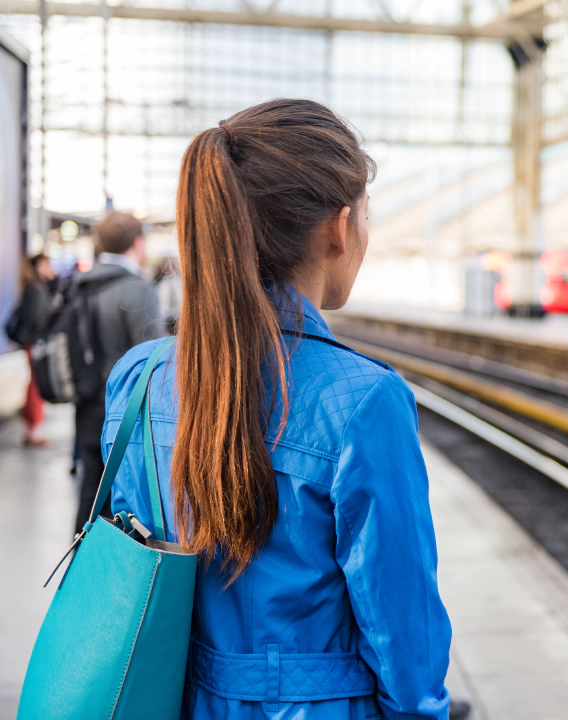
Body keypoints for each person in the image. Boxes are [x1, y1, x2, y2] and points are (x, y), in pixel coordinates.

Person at [104, 99, 452, 719]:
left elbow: (132, 573)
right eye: (367, 217)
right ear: (338, 227)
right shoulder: (366, 401)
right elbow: (405, 640)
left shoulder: (141, 377)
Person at [73, 212, 166, 533]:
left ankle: (81, 568)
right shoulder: (137, 290)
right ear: (137, 243)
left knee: (90, 493)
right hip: (125, 414)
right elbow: (153, 360)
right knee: (124, 504)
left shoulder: (80, 284)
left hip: (85, 403)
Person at [10, 254, 56, 445]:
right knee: (36, 386)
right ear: (39, 265)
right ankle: (34, 431)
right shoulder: (36, 289)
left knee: (33, 385)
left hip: (30, 342)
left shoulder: (33, 286)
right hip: (35, 342)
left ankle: (32, 429)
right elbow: (38, 320)